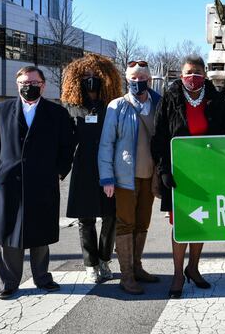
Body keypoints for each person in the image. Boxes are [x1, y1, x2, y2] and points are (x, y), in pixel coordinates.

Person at [0, 66, 74, 300]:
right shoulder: (1, 110)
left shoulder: (57, 113)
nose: (29, 86)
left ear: (43, 85)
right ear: (17, 85)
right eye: (24, 82)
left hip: (43, 181)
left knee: (40, 232)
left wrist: (59, 172)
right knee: (8, 233)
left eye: (34, 82)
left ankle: (42, 277)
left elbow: (67, 147)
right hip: (9, 182)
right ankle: (9, 281)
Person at [152, 55, 225, 299]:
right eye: (188, 72)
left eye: (197, 72)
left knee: (201, 222)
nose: (192, 77)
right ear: (181, 74)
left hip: (206, 172)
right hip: (179, 173)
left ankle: (193, 268)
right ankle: (177, 274)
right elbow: (160, 136)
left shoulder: (216, 99)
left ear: (205, 74)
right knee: (181, 224)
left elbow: (224, 133)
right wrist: (163, 169)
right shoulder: (170, 98)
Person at [98, 60, 161, 295]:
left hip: (149, 176)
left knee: (143, 222)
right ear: (127, 79)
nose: (137, 81)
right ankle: (126, 276)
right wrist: (107, 178)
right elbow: (106, 144)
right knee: (126, 223)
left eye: (141, 77)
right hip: (125, 178)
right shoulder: (117, 106)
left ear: (150, 79)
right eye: (133, 78)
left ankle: (137, 267)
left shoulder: (158, 104)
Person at [61, 54, 122, 283]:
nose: (91, 79)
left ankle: (105, 259)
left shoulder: (113, 107)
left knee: (111, 216)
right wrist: (60, 168)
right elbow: (66, 142)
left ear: (105, 78)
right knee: (85, 219)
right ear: (77, 78)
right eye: (86, 75)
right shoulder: (72, 108)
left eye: (95, 75)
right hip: (83, 168)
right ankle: (91, 264)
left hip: (109, 167)